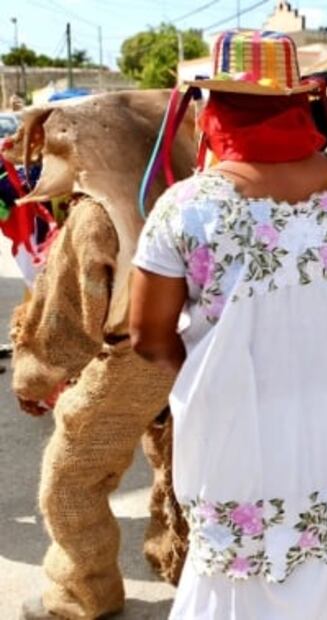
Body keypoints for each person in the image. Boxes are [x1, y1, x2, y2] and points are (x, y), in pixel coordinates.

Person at [129, 31, 327, 619]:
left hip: (239, 428)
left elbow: (147, 336)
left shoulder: (186, 206)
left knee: (241, 573)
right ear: (299, 104)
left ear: (215, 109)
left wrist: (216, 378)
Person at [8, 90, 196, 620]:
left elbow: (67, 319)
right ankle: (178, 557)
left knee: (70, 480)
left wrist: (33, 378)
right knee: (176, 458)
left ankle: (81, 594)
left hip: (131, 358)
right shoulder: (182, 189)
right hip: (190, 350)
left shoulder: (94, 214)